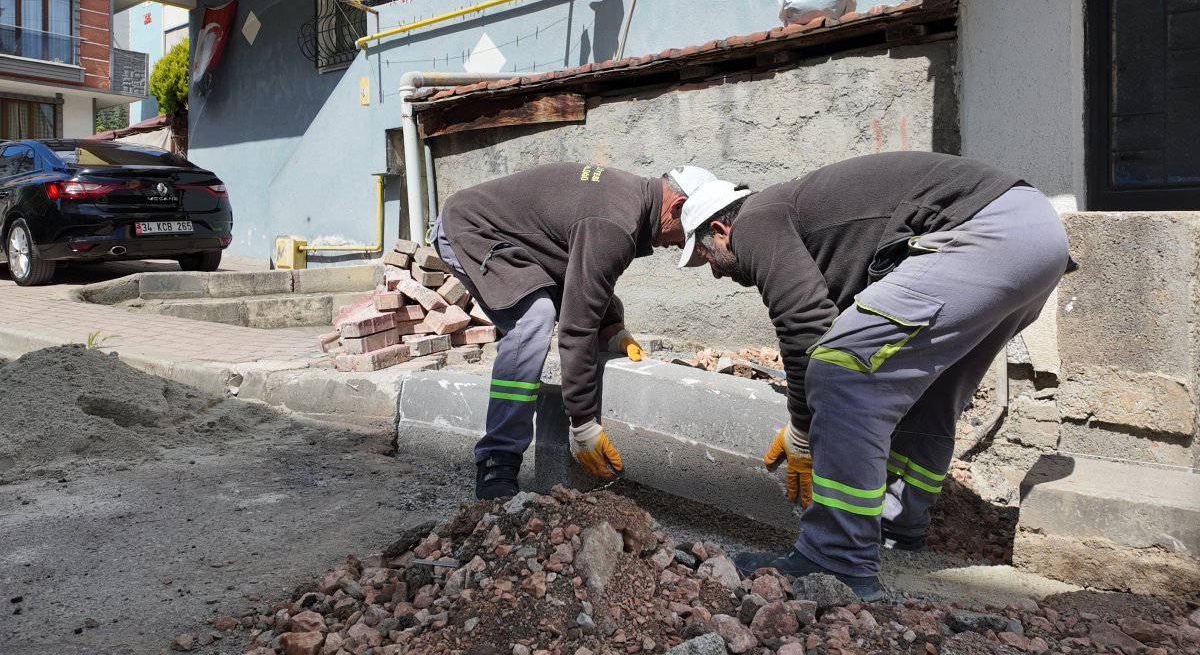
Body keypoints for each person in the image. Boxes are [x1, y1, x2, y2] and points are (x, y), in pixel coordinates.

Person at [676, 152, 1074, 600]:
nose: (713, 270)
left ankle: (836, 557)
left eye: (706, 257)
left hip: (984, 235)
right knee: (927, 395)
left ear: (722, 230)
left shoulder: (757, 221)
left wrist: (804, 431)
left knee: (841, 373)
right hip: (1035, 238)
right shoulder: (806, 219)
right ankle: (898, 525)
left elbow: (805, 326)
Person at [433, 163, 718, 500]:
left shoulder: (627, 204)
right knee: (534, 316)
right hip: (470, 227)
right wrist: (582, 422)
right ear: (678, 207)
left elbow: (582, 273)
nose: (675, 246)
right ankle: (499, 457)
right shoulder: (615, 222)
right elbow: (576, 325)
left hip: (514, 240)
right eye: (683, 238)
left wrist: (612, 328)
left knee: (557, 308)